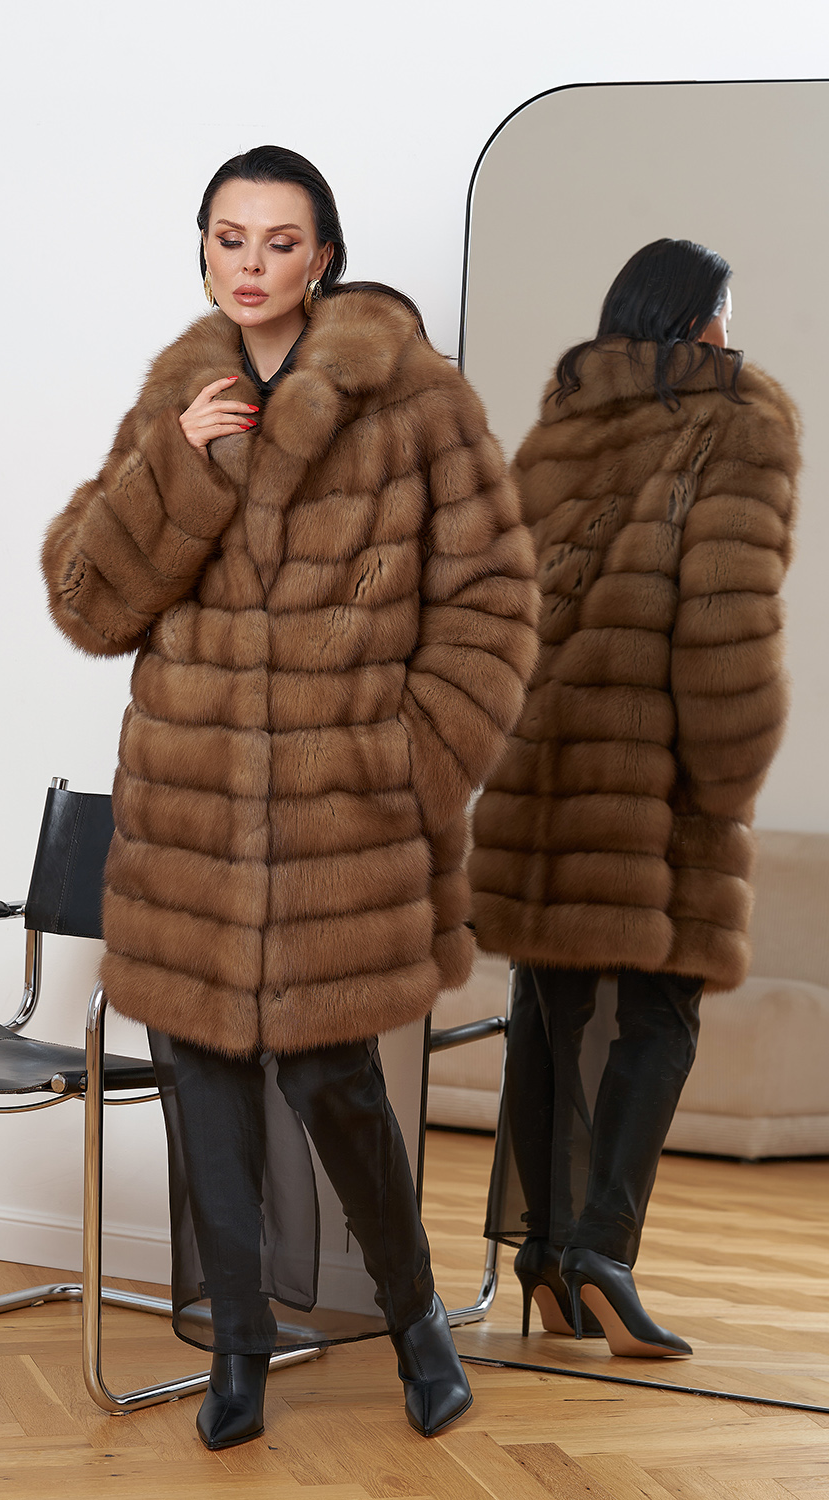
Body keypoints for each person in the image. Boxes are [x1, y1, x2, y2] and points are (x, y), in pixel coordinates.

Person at [42, 145, 538, 1447]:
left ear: (323, 255)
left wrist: (406, 770)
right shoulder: (179, 395)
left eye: (278, 241)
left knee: (334, 1082)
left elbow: (493, 603)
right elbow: (89, 603)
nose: (250, 264)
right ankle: (238, 1351)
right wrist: (177, 465)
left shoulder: (415, 402)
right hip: (189, 824)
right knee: (201, 1083)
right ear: (202, 248)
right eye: (229, 238)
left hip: (338, 827)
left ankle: (414, 1318)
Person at [469, 238, 800, 1358]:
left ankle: (546, 1257)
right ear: (699, 319)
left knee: (551, 1014)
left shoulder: (561, 423)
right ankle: (602, 1252)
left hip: (541, 771)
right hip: (654, 775)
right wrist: (728, 774)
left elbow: (500, 610)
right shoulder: (738, 419)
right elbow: (728, 617)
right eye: (722, 312)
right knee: (659, 1015)